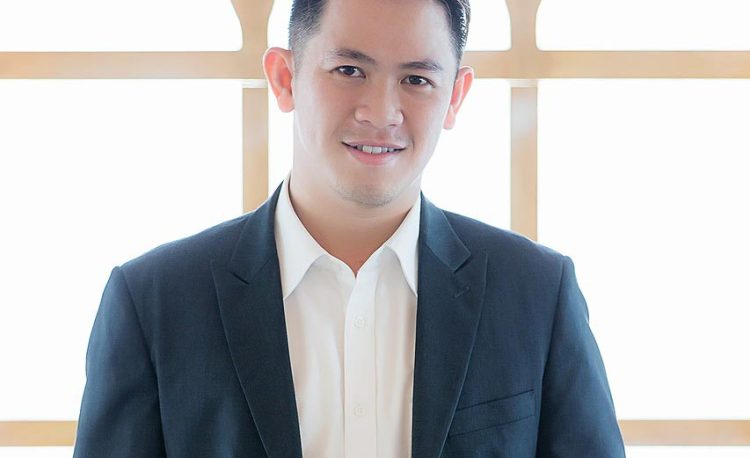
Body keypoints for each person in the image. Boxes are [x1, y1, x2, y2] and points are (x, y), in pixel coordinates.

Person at [74, 0, 625, 456]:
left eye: (416, 79)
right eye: (349, 71)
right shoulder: (153, 302)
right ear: (284, 78)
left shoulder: (536, 293)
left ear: (455, 97)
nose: (381, 112)